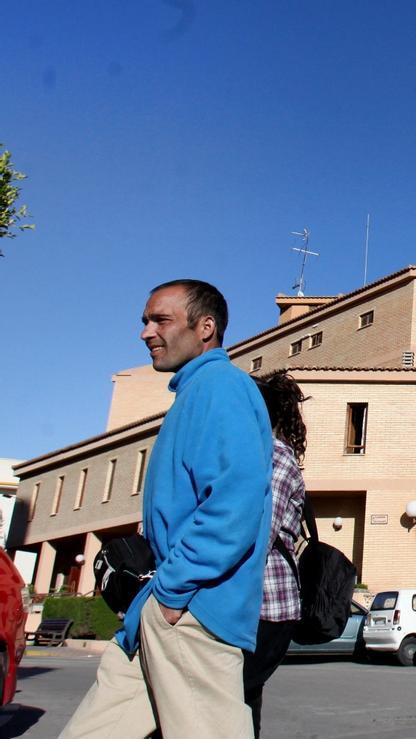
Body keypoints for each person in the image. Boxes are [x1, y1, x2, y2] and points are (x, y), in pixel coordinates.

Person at [60, 279, 273, 739]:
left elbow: (235, 502)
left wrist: (173, 593)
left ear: (206, 327)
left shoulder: (222, 387)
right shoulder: (195, 393)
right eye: (145, 321)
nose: (145, 333)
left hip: (193, 610)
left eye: (160, 320)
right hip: (159, 614)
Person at [243, 370, 307, 737]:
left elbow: (256, 539)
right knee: (240, 702)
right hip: (250, 607)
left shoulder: (276, 458)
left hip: (267, 610)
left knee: (228, 700)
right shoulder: (251, 457)